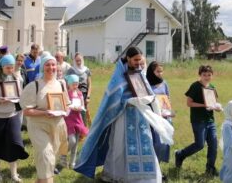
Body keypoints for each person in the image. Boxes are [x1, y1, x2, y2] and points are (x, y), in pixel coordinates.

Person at [75, 46, 173, 182]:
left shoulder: (140, 73)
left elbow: (147, 91)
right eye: (135, 60)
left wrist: (150, 99)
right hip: (123, 117)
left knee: (146, 143)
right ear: (128, 58)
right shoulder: (119, 77)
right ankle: (119, 175)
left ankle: (148, 176)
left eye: (140, 60)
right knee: (121, 145)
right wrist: (129, 101)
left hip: (141, 117)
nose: (138, 63)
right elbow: (113, 99)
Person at [19, 54, 69, 183]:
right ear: (42, 67)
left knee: (50, 159)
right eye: (47, 64)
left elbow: (67, 106)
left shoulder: (61, 85)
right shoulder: (34, 86)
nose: (51, 67)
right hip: (38, 126)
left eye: (53, 64)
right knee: (46, 156)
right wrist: (45, 112)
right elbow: (26, 111)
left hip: (57, 126)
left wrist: (64, 111)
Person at [0, 55, 29, 182]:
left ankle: (14, 174)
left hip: (12, 116)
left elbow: (20, 95)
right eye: (8, 68)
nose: (10, 70)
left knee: (14, 144)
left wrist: (20, 98)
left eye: (12, 67)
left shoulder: (16, 78)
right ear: (1, 67)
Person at [175, 65, 222, 176]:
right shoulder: (195, 86)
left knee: (213, 145)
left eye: (209, 75)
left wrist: (217, 107)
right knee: (199, 144)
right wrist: (203, 105)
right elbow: (189, 103)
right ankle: (180, 154)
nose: (206, 77)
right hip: (198, 120)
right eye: (204, 75)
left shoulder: (212, 87)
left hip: (210, 120)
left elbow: (214, 103)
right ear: (200, 75)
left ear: (212, 75)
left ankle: (210, 169)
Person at [146, 61, 173, 166]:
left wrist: (168, 109)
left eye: (161, 71)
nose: (160, 74)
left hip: (164, 117)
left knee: (163, 142)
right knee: (154, 142)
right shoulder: (146, 83)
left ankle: (159, 166)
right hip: (152, 117)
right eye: (158, 71)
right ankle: (152, 167)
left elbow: (167, 97)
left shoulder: (164, 83)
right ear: (152, 72)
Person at [61, 74, 89, 169]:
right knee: (72, 140)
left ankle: (72, 163)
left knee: (76, 142)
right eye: (73, 84)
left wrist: (80, 108)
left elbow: (82, 105)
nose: (75, 86)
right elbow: (65, 105)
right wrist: (71, 107)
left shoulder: (80, 93)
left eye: (77, 84)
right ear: (69, 84)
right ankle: (63, 154)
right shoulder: (66, 94)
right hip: (69, 118)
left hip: (77, 118)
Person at [66, 53, 91, 125]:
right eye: (77, 60)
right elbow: (67, 83)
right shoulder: (71, 70)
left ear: (82, 60)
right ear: (74, 61)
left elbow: (90, 84)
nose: (78, 62)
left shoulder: (87, 70)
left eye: (80, 60)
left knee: (84, 112)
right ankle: (75, 127)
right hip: (74, 94)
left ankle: (84, 129)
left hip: (84, 94)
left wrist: (88, 97)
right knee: (75, 112)